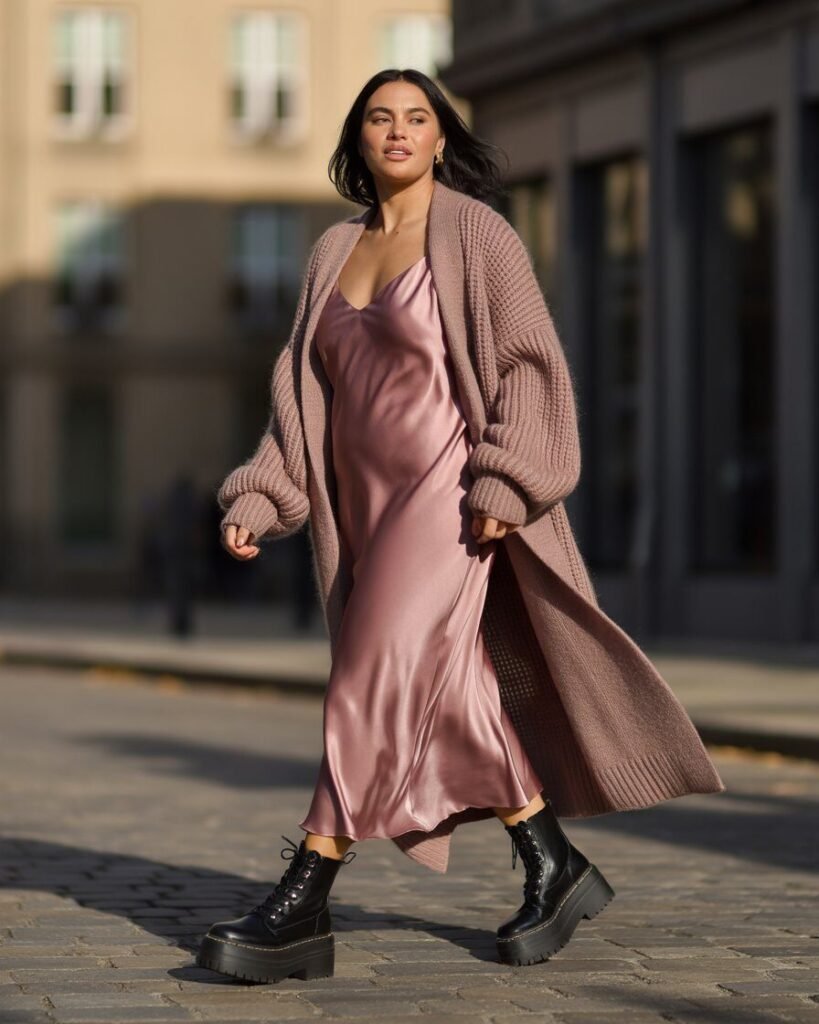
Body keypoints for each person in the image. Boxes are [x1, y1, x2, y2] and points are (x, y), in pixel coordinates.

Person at [197, 68, 725, 984]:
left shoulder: (477, 233)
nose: (398, 132)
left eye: (417, 118)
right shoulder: (331, 251)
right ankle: (549, 860)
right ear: (357, 139)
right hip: (362, 512)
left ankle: (307, 889)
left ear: (443, 137)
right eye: (378, 118)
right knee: (452, 685)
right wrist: (260, 494)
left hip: (446, 497)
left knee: (369, 671)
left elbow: (528, 367)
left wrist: (507, 478)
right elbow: (299, 399)